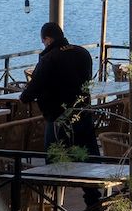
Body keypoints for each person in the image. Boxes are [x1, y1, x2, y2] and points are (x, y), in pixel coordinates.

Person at [21, 21, 97, 161]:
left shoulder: (49, 59)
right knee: (88, 160)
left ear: (48, 39)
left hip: (58, 118)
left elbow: (34, 87)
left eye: (43, 41)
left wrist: (24, 97)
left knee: (56, 163)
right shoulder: (83, 53)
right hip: (83, 113)